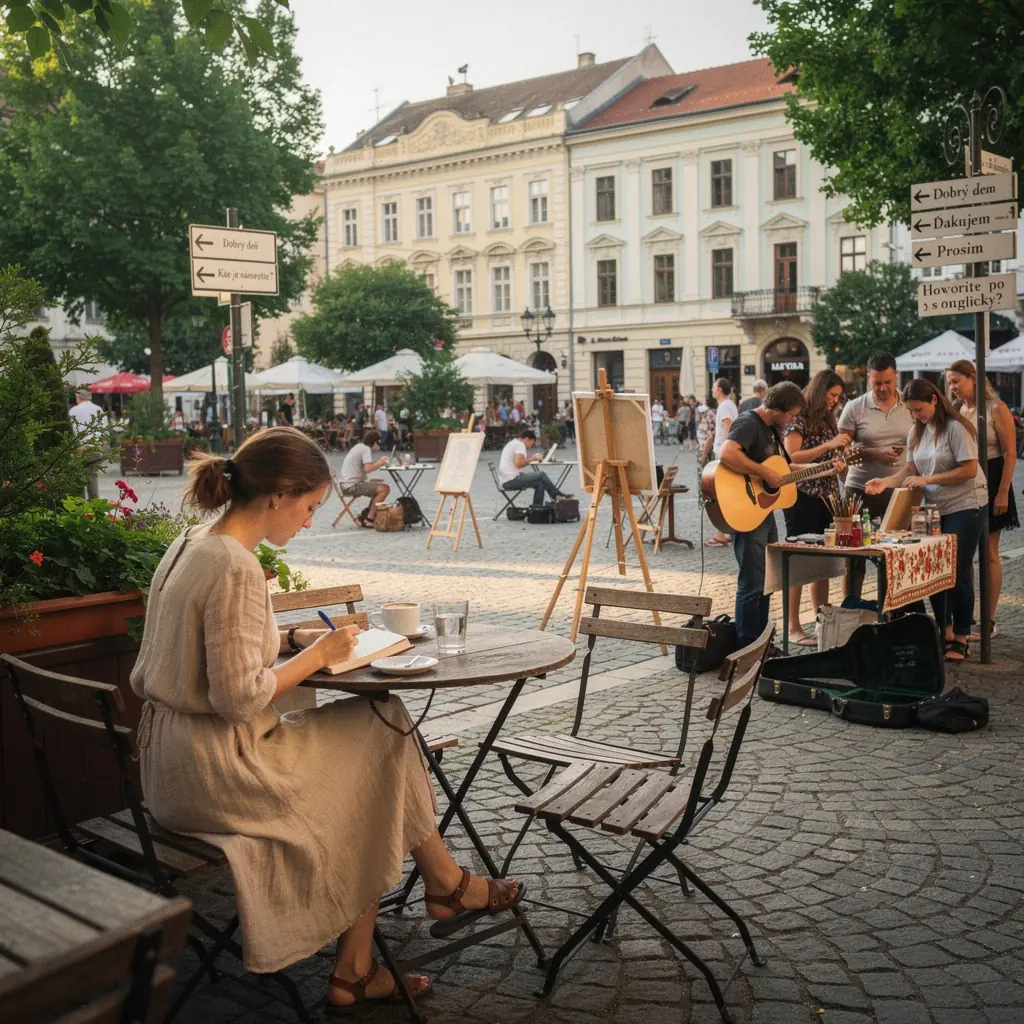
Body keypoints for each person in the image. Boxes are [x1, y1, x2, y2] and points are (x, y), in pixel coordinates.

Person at [130, 427, 524, 1012]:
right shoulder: (235, 566)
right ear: (278, 496)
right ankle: (433, 899)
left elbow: (212, 652)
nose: (311, 521)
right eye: (310, 507)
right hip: (218, 771)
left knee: (379, 727)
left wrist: (292, 636)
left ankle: (381, 948)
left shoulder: (194, 542)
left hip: (169, 763)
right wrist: (319, 657)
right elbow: (239, 698)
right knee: (381, 739)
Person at [866, 380, 986, 662]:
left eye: (919, 410)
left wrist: (928, 479)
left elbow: (969, 470)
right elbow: (910, 469)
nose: (916, 415)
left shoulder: (956, 428)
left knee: (957, 569)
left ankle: (961, 635)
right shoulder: (916, 431)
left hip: (967, 503)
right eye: (912, 412)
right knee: (935, 569)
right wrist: (885, 482)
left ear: (934, 400)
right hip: (936, 507)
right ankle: (943, 631)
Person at [718, 381, 808, 649]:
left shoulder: (771, 429)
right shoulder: (749, 423)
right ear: (778, 409)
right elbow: (727, 453)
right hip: (746, 510)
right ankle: (747, 646)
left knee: (766, 580)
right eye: (791, 414)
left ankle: (760, 643)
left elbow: (783, 467)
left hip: (763, 511)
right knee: (752, 581)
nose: (792, 420)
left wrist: (821, 467)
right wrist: (762, 472)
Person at [945, 359, 1018, 641]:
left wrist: (1002, 491)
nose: (953, 386)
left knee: (989, 552)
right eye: (950, 382)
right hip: (968, 485)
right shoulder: (960, 410)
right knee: (966, 556)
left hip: (995, 479)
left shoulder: (996, 408)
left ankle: (989, 619)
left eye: (956, 381)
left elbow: (1011, 453)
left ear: (973, 378)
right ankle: (970, 615)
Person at [782, 371, 851, 647]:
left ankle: (820, 621)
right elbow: (791, 457)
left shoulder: (826, 419)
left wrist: (838, 461)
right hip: (802, 497)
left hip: (827, 496)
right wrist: (829, 445)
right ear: (820, 391)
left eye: (838, 397)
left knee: (821, 564)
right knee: (798, 562)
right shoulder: (799, 417)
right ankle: (793, 627)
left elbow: (828, 456)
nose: (835, 401)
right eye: (832, 395)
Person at [837, 352, 914, 595]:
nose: (882, 388)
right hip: (861, 488)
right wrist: (875, 453)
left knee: (898, 552)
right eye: (876, 383)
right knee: (853, 556)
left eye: (887, 382)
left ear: (897, 376)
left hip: (899, 488)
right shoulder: (855, 407)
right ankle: (852, 608)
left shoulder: (909, 405)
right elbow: (842, 451)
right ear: (869, 379)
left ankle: (893, 610)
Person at [498, 426, 569, 506]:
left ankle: (537, 509)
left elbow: (518, 462)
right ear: (527, 439)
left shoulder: (513, 443)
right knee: (541, 474)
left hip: (506, 480)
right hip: (511, 479)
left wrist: (532, 459)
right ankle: (556, 496)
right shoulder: (520, 445)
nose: (531, 446)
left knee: (540, 484)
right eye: (532, 443)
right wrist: (532, 458)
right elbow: (519, 463)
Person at [707, 378, 738, 547]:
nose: (712, 390)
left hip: (723, 455)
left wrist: (726, 449)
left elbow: (728, 425)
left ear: (719, 389)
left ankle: (721, 534)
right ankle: (725, 532)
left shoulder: (725, 405)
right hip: (724, 454)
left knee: (720, 494)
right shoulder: (729, 404)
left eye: (713, 387)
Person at [339, 429, 390, 524]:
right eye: (378, 442)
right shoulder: (366, 449)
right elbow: (368, 468)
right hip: (352, 485)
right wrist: (380, 462)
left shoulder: (359, 446)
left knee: (379, 484)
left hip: (346, 483)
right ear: (374, 441)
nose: (378, 444)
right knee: (385, 489)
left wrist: (379, 462)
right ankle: (369, 519)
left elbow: (366, 467)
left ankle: (368, 514)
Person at [69, 388, 108, 499]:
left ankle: (79, 504)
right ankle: (94, 506)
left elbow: (71, 431)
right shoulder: (99, 409)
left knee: (78, 477)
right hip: (95, 448)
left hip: (79, 448)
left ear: (78, 397)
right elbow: (104, 431)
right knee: (92, 477)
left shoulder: (73, 411)